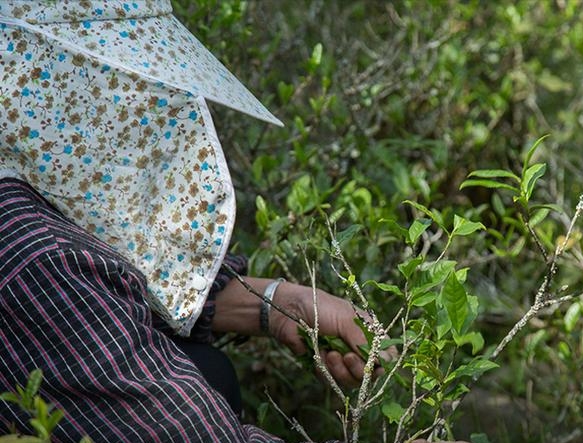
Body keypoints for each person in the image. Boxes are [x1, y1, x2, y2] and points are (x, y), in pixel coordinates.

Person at [0, 1, 387, 442]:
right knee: (210, 376)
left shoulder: (29, 196)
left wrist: (284, 307)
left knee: (209, 369)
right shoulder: (33, 258)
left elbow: (116, 284)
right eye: (127, 79)